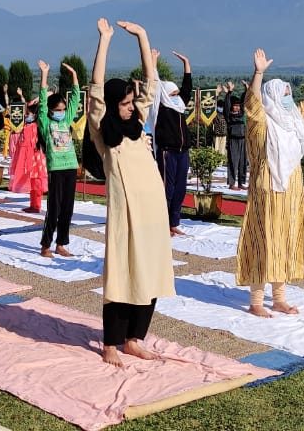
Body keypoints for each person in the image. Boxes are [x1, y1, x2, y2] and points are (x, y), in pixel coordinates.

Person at [86, 19, 176, 367]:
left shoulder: (137, 123)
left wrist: (142, 35)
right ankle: (111, 343)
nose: (130, 106)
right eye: (123, 103)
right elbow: (96, 87)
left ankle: (135, 338)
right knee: (123, 274)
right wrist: (105, 40)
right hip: (126, 212)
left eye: (130, 103)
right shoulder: (102, 129)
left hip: (153, 208)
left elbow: (151, 84)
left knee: (150, 270)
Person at [236, 48, 304, 318]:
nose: (289, 100)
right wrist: (258, 73)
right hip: (267, 187)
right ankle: (256, 300)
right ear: (274, 98)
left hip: (291, 188)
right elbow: (253, 104)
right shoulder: (262, 124)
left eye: (290, 94)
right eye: (285, 95)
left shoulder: (293, 122)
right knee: (263, 239)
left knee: (285, 239)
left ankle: (279, 297)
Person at [147, 50, 194, 236]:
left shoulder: (179, 104)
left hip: (183, 151)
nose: (176, 95)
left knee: (180, 188)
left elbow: (187, 88)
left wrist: (187, 65)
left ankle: (174, 222)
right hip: (167, 152)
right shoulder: (160, 106)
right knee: (167, 188)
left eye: (176, 93)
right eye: (173, 93)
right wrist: (153, 63)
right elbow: (155, 84)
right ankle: (162, 222)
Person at [38, 61, 82, 258]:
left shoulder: (66, 119)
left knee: (68, 208)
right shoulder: (46, 122)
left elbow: (75, 99)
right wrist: (44, 75)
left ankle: (61, 243)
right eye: (58, 109)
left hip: (71, 166)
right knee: (54, 208)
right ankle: (46, 244)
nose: (62, 111)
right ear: (51, 110)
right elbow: (41, 104)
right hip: (56, 168)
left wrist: (74, 76)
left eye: (63, 109)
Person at [7, 86, 47, 214]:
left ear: (35, 115)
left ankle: (37, 205)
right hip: (27, 158)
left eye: (28, 114)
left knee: (36, 181)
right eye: (26, 114)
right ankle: (33, 204)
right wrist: (21, 96)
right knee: (31, 181)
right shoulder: (26, 126)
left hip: (36, 158)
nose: (26, 116)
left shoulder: (37, 126)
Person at [223, 82, 248, 190]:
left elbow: (243, 102)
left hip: (243, 140)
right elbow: (226, 105)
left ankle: (241, 183)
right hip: (233, 141)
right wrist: (229, 92)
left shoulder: (241, 114)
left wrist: (246, 90)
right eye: (235, 106)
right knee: (233, 162)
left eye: (238, 106)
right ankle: (232, 183)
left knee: (243, 163)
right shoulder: (229, 116)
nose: (237, 107)